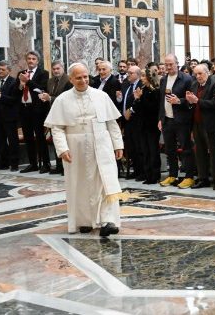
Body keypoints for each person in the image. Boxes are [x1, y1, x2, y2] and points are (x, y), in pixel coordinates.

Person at [44, 63, 124, 237]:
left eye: (85, 76)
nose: (83, 80)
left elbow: (112, 123)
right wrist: (62, 149)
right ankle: (85, 221)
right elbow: (57, 128)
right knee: (79, 184)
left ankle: (107, 220)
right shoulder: (62, 99)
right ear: (71, 79)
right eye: (78, 77)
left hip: (101, 144)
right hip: (75, 148)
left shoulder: (101, 96)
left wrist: (118, 144)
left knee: (104, 182)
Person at [157, 54, 196, 188]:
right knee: (170, 149)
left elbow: (192, 99)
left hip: (182, 119)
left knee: (186, 148)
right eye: (166, 64)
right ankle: (172, 175)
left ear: (177, 64)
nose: (168, 67)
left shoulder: (186, 79)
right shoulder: (163, 79)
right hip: (167, 119)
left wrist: (179, 101)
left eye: (171, 64)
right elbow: (161, 100)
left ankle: (189, 176)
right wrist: (161, 118)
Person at [186, 64, 215, 189]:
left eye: (200, 73)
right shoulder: (194, 85)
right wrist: (190, 102)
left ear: (207, 72)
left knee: (213, 153)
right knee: (200, 152)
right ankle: (203, 178)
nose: (197, 76)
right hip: (196, 123)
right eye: (195, 74)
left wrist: (197, 101)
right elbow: (192, 104)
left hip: (210, 123)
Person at [18, 50, 51, 173]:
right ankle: (33, 164)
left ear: (37, 61)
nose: (31, 61)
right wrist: (21, 85)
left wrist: (27, 81)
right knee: (28, 138)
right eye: (29, 58)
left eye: (33, 59)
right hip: (24, 109)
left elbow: (41, 88)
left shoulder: (43, 73)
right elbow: (16, 91)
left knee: (40, 137)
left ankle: (46, 164)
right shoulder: (21, 73)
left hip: (37, 110)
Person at [41, 61, 72, 174]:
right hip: (53, 114)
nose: (56, 71)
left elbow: (66, 98)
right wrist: (45, 97)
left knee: (65, 141)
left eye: (58, 68)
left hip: (65, 114)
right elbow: (50, 94)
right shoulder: (50, 81)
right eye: (54, 69)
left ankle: (65, 167)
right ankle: (58, 166)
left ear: (63, 68)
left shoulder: (68, 80)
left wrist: (50, 98)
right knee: (56, 140)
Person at [130, 68, 161, 184]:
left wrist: (140, 99)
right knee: (145, 151)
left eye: (143, 76)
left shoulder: (155, 91)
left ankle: (155, 175)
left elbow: (152, 108)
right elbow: (137, 108)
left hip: (152, 125)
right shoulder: (143, 90)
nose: (141, 78)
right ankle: (148, 175)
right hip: (142, 124)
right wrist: (137, 99)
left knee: (153, 150)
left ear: (149, 77)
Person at [118, 66, 143, 180]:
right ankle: (136, 171)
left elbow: (140, 102)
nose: (128, 74)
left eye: (131, 73)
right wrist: (119, 99)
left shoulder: (141, 85)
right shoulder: (126, 85)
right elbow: (123, 101)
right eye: (128, 73)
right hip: (126, 121)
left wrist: (131, 110)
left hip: (137, 120)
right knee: (131, 147)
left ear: (137, 74)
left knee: (139, 147)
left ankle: (141, 172)